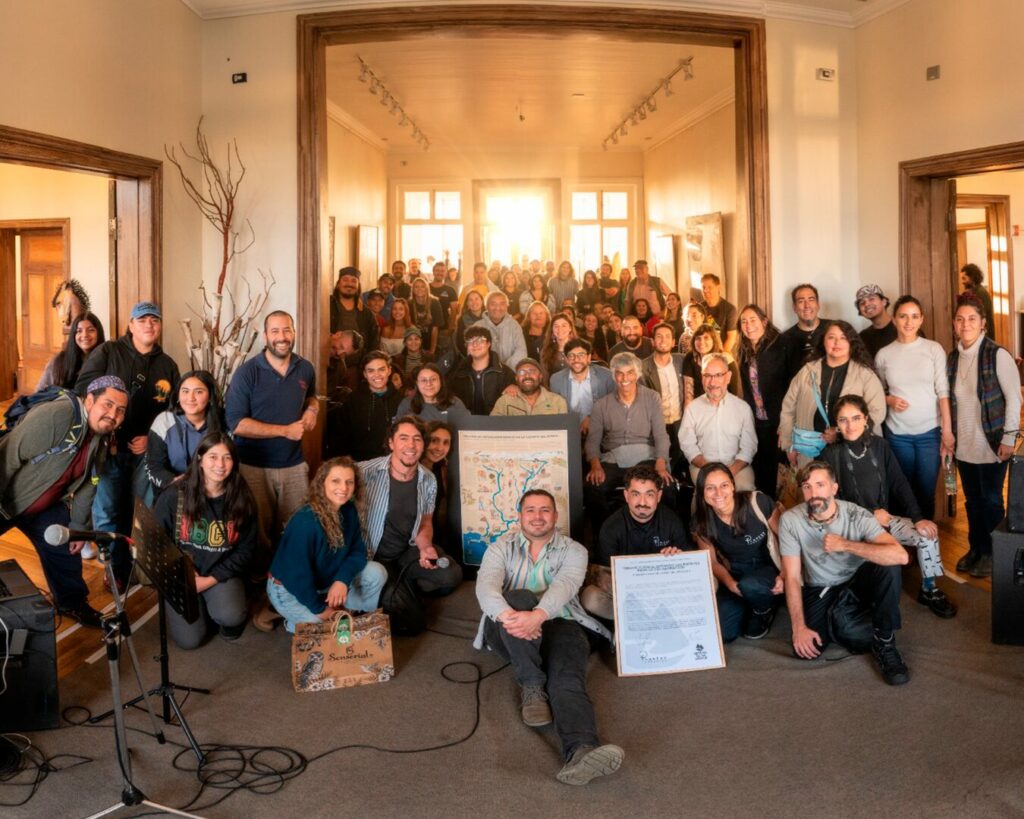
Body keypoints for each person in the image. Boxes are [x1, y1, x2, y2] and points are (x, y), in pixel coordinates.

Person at [474, 489, 623, 786]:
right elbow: (486, 588)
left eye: (545, 510)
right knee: (518, 596)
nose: (538, 516)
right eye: (531, 510)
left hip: (561, 622)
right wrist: (513, 618)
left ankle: (581, 751)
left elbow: (565, 588)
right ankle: (531, 685)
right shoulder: (499, 548)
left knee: (567, 678)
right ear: (520, 516)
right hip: (507, 626)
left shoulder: (575, 550)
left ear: (555, 516)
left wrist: (537, 617)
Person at [0, 376, 128, 627]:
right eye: (108, 404)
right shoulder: (58, 415)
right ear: (89, 400)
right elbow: (8, 454)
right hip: (8, 497)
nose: (113, 414)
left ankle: (72, 602)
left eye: (120, 410)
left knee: (65, 543)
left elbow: (89, 485)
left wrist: (79, 527)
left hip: (44, 505)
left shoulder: (100, 438)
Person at [822, 395, 957, 618]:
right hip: (852, 527)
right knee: (877, 573)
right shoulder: (831, 454)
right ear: (836, 424)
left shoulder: (880, 446)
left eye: (856, 418)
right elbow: (830, 503)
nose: (850, 425)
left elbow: (899, 484)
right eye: (843, 420)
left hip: (885, 520)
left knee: (927, 534)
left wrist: (918, 518)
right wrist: (867, 517)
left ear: (865, 419)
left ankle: (929, 589)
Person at [76, 301, 179, 589]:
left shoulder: (168, 365)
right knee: (106, 510)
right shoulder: (108, 352)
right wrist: (107, 428)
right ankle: (112, 570)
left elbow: (174, 412)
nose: (149, 325)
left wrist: (151, 438)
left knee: (142, 510)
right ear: (131, 325)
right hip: (107, 449)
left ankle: (141, 567)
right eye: (142, 320)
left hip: (145, 453)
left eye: (154, 320)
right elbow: (84, 389)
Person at [779, 461, 911, 686]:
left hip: (857, 581)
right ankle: (848, 618)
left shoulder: (856, 514)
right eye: (807, 487)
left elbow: (901, 556)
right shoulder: (790, 520)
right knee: (808, 649)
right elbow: (791, 577)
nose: (813, 493)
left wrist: (847, 545)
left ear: (834, 488)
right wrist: (798, 627)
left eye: (820, 485)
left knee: (888, 564)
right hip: (821, 587)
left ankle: (885, 642)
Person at [225, 310, 317, 562]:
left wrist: (312, 408)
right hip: (253, 466)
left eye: (287, 330)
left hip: (294, 464)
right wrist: (285, 431)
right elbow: (236, 423)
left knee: (297, 527)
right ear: (265, 336)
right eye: (275, 331)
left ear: (294, 333)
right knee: (257, 531)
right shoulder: (247, 373)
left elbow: (312, 395)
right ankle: (260, 579)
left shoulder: (305, 368)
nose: (282, 337)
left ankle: (286, 578)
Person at [261, 457, 387, 633]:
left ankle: (349, 612)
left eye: (349, 482)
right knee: (328, 629)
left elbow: (358, 551)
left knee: (376, 572)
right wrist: (321, 610)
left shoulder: (348, 510)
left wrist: (342, 580)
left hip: (323, 581)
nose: (343, 488)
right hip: (288, 589)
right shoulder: (306, 520)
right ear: (322, 484)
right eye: (336, 481)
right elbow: (297, 577)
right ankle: (285, 616)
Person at [153, 433, 257, 648]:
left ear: (234, 463)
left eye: (227, 458)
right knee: (190, 641)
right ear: (199, 459)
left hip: (218, 574)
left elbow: (246, 551)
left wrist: (209, 581)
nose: (220, 464)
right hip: (181, 574)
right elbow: (156, 541)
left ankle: (218, 607)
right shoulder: (174, 495)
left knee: (231, 616)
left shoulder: (242, 499)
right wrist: (182, 576)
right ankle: (200, 608)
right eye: (213, 456)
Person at [947, 294, 1021, 577]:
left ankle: (992, 553)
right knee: (973, 501)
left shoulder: (996, 354)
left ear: (983, 324)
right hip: (964, 444)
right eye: (960, 319)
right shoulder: (952, 357)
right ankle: (975, 548)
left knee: (991, 501)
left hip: (992, 441)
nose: (965, 324)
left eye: (972, 319)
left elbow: (1014, 399)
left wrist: (1008, 438)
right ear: (954, 324)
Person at [360, 416, 463, 598]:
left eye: (417, 439)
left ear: (423, 445)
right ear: (391, 443)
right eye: (403, 438)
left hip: (405, 552)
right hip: (372, 556)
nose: (411, 445)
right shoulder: (365, 472)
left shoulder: (429, 479)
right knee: (401, 609)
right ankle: (396, 588)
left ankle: (401, 584)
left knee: (451, 575)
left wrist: (425, 547)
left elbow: (425, 522)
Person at [874, 295, 954, 521]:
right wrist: (890, 401)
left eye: (914, 316)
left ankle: (926, 547)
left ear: (921, 320)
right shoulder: (884, 354)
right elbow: (877, 392)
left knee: (926, 494)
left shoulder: (933, 349)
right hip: (898, 435)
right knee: (902, 494)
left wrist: (947, 431)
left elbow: (943, 391)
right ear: (894, 320)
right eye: (903, 316)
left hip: (930, 433)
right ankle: (904, 551)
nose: (908, 322)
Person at [580, 465, 688, 620]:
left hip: (663, 590)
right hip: (628, 596)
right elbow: (600, 574)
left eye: (649, 494)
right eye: (636, 494)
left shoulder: (672, 521)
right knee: (590, 597)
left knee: (712, 582)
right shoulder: (611, 527)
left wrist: (679, 559)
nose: (642, 502)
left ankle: (650, 621)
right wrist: (634, 591)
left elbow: (686, 570)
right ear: (626, 495)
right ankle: (639, 622)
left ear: (658, 496)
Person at [585, 352, 675, 534]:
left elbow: (661, 434)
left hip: (647, 458)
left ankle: (662, 535)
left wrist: (661, 463)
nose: (625, 378)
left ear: (637, 374)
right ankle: (608, 533)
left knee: (667, 486)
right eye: (620, 373)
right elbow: (592, 440)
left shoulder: (652, 398)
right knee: (592, 487)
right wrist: (595, 465)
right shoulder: (601, 404)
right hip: (613, 459)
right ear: (614, 375)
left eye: (630, 373)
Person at [691, 463, 782, 643]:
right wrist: (730, 583)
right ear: (702, 491)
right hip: (735, 573)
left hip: (767, 567)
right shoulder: (700, 521)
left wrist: (786, 573)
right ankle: (752, 601)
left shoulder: (758, 502)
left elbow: (788, 540)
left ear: (733, 485)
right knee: (724, 633)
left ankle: (763, 610)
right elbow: (712, 562)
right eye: (710, 488)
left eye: (724, 485)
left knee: (751, 586)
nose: (718, 493)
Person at [778, 320, 885, 468]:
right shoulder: (807, 371)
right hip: (809, 451)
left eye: (843, 338)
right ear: (823, 341)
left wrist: (840, 431)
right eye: (831, 337)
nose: (837, 342)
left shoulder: (864, 374)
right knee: (814, 488)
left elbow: (877, 412)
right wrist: (789, 445)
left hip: (852, 450)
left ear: (851, 343)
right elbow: (788, 409)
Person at [679, 353, 758, 490]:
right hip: (702, 467)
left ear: (728, 377)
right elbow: (688, 445)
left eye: (718, 375)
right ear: (702, 378)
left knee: (745, 491)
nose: (712, 382)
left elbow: (749, 447)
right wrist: (708, 468)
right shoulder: (692, 408)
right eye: (707, 376)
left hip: (736, 468)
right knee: (706, 496)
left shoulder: (742, 408)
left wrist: (731, 470)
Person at [736, 305, 790, 499]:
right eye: (744, 321)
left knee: (779, 472)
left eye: (753, 320)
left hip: (779, 420)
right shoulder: (743, 350)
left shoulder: (781, 344)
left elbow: (791, 385)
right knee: (760, 469)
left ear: (764, 322)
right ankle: (762, 511)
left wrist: (787, 422)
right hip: (757, 420)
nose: (749, 325)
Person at [146, 369, 224, 500]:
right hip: (174, 491)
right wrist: (177, 482)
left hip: (213, 491)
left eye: (199, 392)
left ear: (210, 396)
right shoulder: (164, 421)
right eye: (185, 391)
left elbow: (231, 463)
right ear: (178, 395)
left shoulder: (224, 421)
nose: (191, 398)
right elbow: (153, 466)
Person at [550, 339, 616, 438]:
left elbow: (613, 406)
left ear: (589, 357)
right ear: (566, 359)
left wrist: (592, 418)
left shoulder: (606, 376)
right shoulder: (556, 380)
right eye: (571, 355)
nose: (576, 359)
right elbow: (556, 412)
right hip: (570, 431)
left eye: (581, 355)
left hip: (601, 430)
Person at [642, 322, 685, 469]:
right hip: (657, 424)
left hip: (680, 421)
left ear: (674, 342)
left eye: (667, 337)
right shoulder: (643, 367)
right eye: (659, 337)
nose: (663, 340)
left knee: (680, 460)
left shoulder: (682, 361)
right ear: (653, 341)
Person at [447, 326, 515, 415]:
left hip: (495, 423)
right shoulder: (457, 373)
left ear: (488, 344)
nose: (475, 344)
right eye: (470, 341)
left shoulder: (505, 373)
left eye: (480, 340)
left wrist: (515, 386)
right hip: (466, 424)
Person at [36, 311, 105, 391]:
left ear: (99, 333)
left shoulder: (108, 359)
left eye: (91, 330)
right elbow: (40, 391)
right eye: (79, 331)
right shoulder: (59, 360)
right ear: (73, 335)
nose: (85, 335)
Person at [397, 362, 472, 427]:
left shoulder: (455, 403)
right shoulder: (406, 404)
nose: (429, 384)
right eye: (423, 380)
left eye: (433, 379)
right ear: (417, 383)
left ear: (441, 381)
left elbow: (466, 432)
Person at [682, 325, 739, 404]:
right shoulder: (690, 358)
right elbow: (688, 393)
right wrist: (688, 414)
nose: (701, 342)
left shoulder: (726, 359)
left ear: (714, 340)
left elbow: (734, 392)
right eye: (698, 338)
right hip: (699, 406)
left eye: (706, 338)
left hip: (724, 405)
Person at [491, 357, 568, 416]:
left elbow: (564, 433)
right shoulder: (505, 401)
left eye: (532, 371)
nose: (527, 375)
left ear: (540, 376)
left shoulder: (558, 402)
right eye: (521, 372)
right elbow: (492, 429)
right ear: (516, 378)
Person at [781, 283, 829, 377]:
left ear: (818, 305)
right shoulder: (784, 339)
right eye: (801, 301)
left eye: (811, 299)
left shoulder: (834, 329)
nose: (807, 305)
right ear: (794, 308)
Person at [330, 266, 379, 351]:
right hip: (331, 361)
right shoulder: (327, 307)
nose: (349, 284)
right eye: (345, 280)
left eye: (354, 281)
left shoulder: (366, 313)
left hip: (360, 363)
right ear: (338, 285)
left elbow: (374, 341)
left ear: (358, 286)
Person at [421, 421, 453, 553]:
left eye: (446, 443)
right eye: (434, 441)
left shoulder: (443, 468)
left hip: (436, 537)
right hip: (417, 540)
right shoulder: (412, 471)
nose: (440, 448)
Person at [474, 291, 527, 369]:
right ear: (486, 306)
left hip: (510, 373)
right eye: (493, 304)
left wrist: (505, 370)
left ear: (507, 306)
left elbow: (521, 351)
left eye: (502, 304)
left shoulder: (514, 325)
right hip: (486, 374)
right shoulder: (477, 326)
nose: (497, 308)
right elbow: (473, 353)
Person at [700, 273, 738, 353]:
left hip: (722, 353)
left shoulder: (730, 309)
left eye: (709, 287)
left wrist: (721, 356)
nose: (706, 291)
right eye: (703, 287)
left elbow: (731, 337)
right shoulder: (699, 308)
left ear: (718, 287)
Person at [855, 284, 896, 357]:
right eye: (862, 303)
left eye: (871, 299)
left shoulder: (903, 328)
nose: (867, 304)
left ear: (884, 302)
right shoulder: (862, 337)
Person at [409, 276, 444, 355]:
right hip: (414, 344)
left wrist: (432, 351)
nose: (419, 289)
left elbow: (435, 329)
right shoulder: (409, 303)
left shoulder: (434, 302)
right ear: (413, 289)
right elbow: (409, 327)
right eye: (416, 287)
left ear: (427, 288)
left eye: (422, 286)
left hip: (430, 341)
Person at [960, 262, 995, 340]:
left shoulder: (981, 293)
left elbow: (982, 316)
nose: (962, 282)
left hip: (983, 335)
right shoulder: (974, 291)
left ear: (972, 277)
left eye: (964, 278)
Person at [540, 313, 577, 378]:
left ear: (570, 328)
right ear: (552, 329)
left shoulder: (579, 349)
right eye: (556, 326)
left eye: (564, 325)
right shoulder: (545, 351)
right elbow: (544, 377)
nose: (560, 329)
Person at [429, 260, 459, 333]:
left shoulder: (450, 290)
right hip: (427, 328)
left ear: (446, 273)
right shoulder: (426, 288)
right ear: (433, 272)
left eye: (442, 271)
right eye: (437, 270)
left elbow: (454, 311)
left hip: (444, 329)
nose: (440, 273)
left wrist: (451, 327)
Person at [454, 289, 485, 356]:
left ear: (482, 301)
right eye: (471, 300)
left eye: (476, 299)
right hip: (470, 354)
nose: (474, 302)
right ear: (467, 303)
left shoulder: (489, 316)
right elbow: (460, 342)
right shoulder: (462, 319)